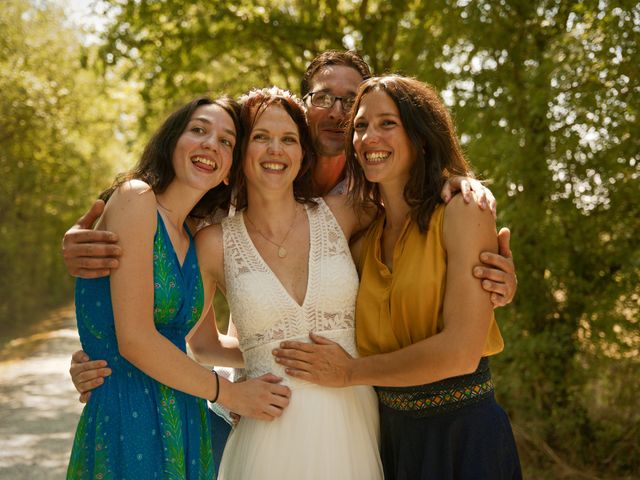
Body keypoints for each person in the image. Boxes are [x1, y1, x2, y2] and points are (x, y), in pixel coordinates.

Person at [273, 75, 522, 479]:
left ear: (421, 136)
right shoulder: (361, 239)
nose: (369, 137)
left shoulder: (464, 210)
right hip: (387, 437)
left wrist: (349, 373)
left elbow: (460, 352)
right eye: (361, 126)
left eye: (387, 123)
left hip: (464, 437)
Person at [66, 96, 291, 479]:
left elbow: (203, 345)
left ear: (228, 172)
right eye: (199, 130)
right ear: (172, 141)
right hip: (129, 418)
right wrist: (232, 394)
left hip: (185, 417)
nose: (210, 145)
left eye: (226, 141)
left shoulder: (192, 236)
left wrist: (290, 352)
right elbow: (135, 339)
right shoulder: (136, 199)